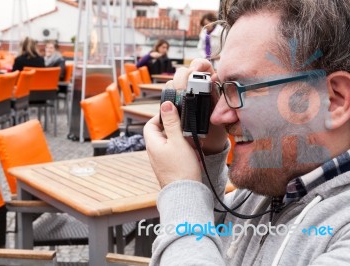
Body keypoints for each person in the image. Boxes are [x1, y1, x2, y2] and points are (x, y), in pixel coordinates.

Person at [144, 0, 350, 265]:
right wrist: (204, 157)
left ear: (333, 100)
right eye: (222, 88)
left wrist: (182, 193)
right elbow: (213, 245)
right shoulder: (275, 177)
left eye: (240, 88)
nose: (218, 116)